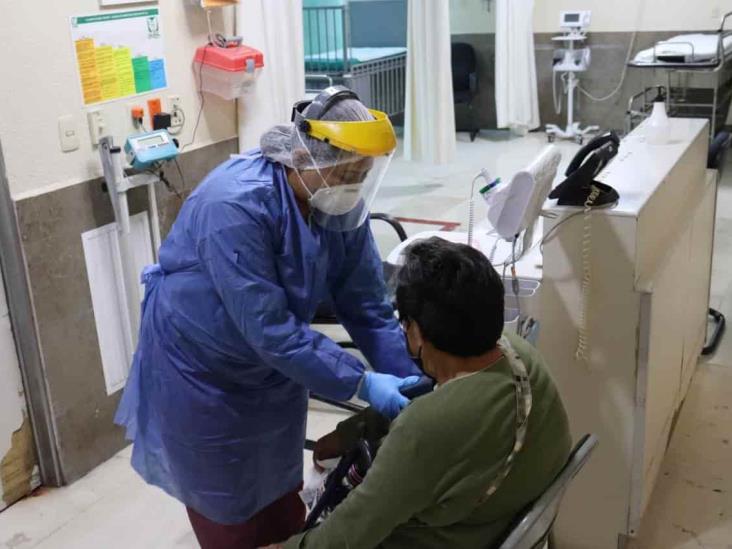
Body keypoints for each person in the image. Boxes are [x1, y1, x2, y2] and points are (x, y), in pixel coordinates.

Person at [114, 86, 420, 549]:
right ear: (304, 155)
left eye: (363, 175)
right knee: (229, 509)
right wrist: (362, 382)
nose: (353, 187)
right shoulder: (235, 205)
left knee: (278, 490)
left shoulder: (339, 207)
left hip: (276, 365)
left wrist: (410, 377)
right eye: (346, 173)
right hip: (203, 371)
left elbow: (367, 306)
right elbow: (269, 327)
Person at [281, 237, 572, 549]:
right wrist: (351, 431)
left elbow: (345, 537)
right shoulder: (521, 356)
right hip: (503, 518)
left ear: (416, 331)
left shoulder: (426, 428)